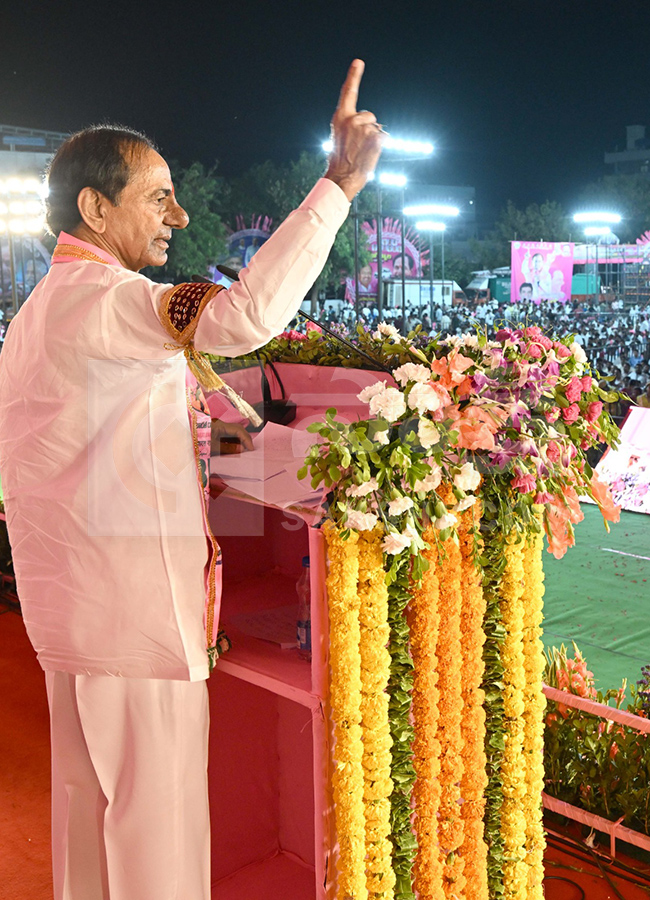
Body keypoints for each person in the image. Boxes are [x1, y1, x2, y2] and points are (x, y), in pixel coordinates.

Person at [0, 59, 384, 900]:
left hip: (72, 618)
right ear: (95, 209)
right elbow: (243, 318)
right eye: (156, 196)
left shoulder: (39, 312)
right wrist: (337, 187)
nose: (177, 215)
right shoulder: (114, 300)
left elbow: (135, 436)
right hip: (135, 621)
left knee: (87, 824)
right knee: (158, 836)